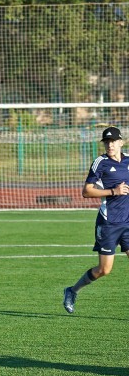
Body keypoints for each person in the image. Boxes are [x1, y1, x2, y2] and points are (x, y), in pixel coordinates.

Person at [63, 125, 129, 313]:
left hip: (128, 223)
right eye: (106, 142)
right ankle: (72, 290)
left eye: (113, 141)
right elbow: (86, 191)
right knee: (104, 270)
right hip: (109, 223)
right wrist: (112, 191)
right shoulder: (100, 162)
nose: (110, 145)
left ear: (121, 142)